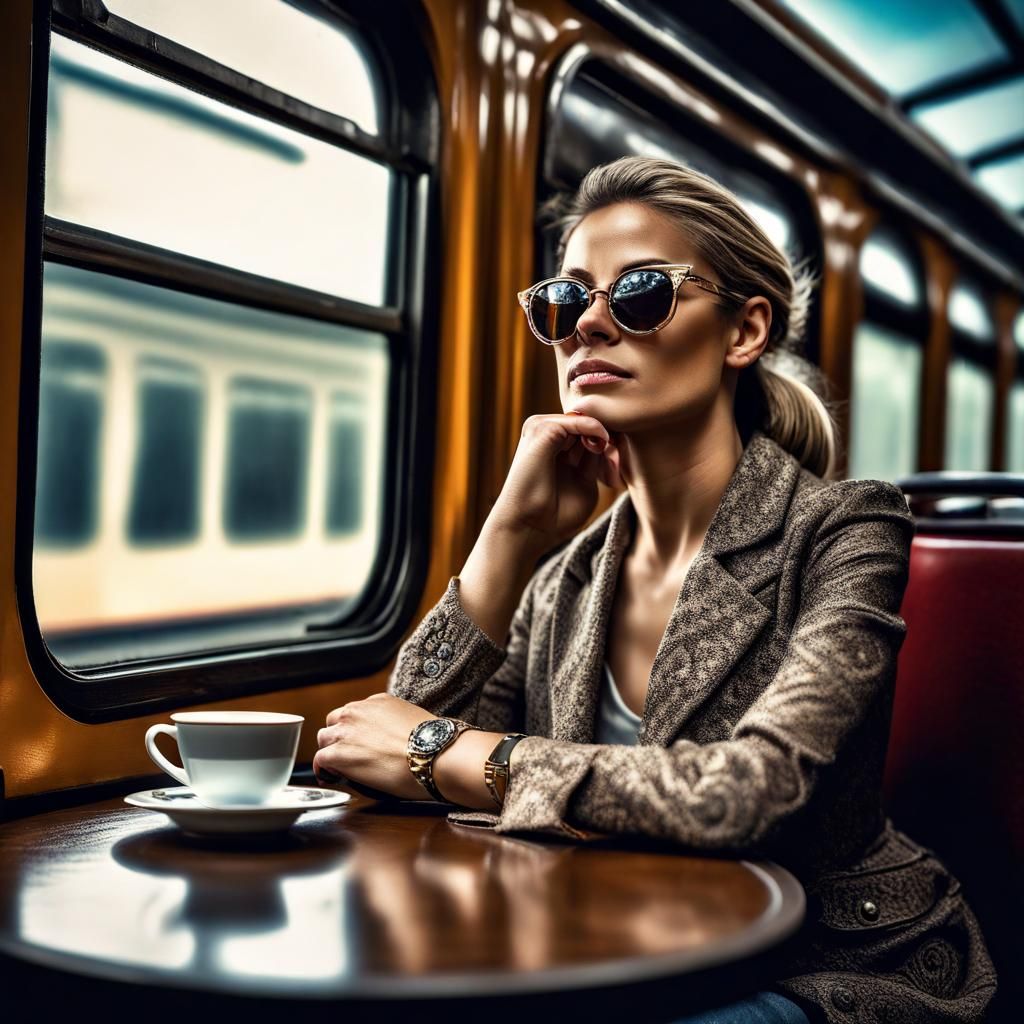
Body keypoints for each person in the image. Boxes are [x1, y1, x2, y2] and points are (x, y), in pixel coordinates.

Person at [314, 156, 997, 1023]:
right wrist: (507, 536)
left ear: (743, 332)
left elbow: (753, 792)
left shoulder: (845, 528)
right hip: (614, 946)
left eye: (638, 292)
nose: (588, 324)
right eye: (564, 301)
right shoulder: (567, 572)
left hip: (826, 964)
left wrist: (464, 757)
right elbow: (392, 751)